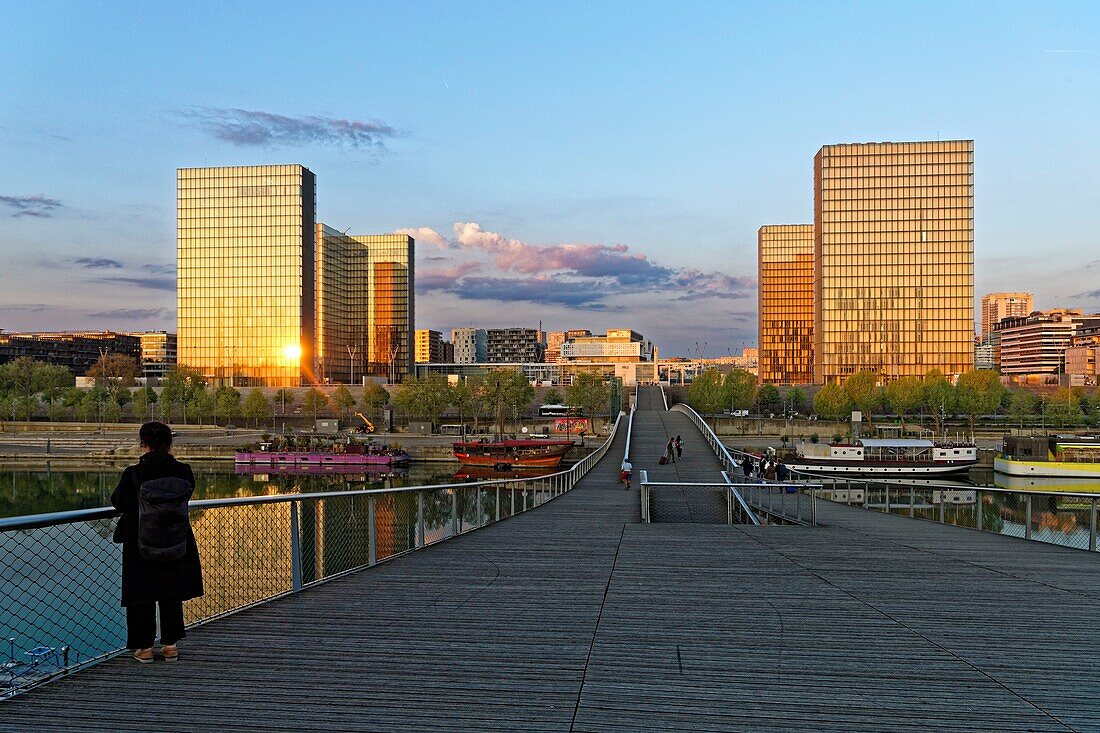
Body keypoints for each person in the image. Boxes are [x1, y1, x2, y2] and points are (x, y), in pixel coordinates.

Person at [111, 422, 204, 664]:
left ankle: (144, 648)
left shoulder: (134, 473)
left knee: (141, 593)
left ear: (143, 443)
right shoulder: (183, 471)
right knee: (171, 590)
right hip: (175, 538)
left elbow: (119, 502)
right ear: (169, 442)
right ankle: (170, 645)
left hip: (141, 540)